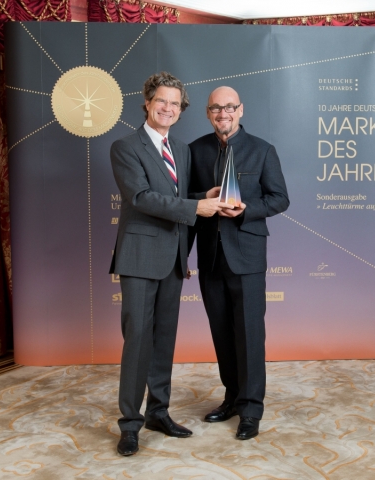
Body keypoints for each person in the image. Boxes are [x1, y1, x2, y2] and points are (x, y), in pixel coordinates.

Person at [110, 72, 230, 456]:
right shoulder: (125, 147)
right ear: (147, 102)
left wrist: (205, 195)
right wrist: (196, 207)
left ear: (181, 110)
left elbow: (178, 193)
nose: (168, 108)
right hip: (139, 258)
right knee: (138, 341)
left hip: (174, 258)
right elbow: (142, 197)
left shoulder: (180, 148)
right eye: (162, 100)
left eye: (175, 104)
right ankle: (130, 424)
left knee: (164, 341)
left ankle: (157, 413)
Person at [189, 86, 290, 440]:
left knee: (249, 335)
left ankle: (250, 409)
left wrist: (247, 210)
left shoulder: (262, 150)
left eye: (229, 107)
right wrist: (203, 198)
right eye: (216, 108)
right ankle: (232, 398)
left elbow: (280, 198)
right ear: (208, 113)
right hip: (210, 257)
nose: (223, 113)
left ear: (241, 110)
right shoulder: (195, 151)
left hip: (247, 257)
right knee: (221, 333)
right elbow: (184, 201)